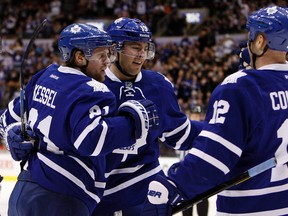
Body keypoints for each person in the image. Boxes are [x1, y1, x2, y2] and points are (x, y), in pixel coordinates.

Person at [0, 23, 158, 216]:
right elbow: (91, 140)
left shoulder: (44, 76)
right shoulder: (93, 90)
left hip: (24, 191)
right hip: (63, 198)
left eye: (108, 55)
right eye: (101, 56)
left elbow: (5, 119)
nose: (107, 62)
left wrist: (11, 134)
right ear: (80, 57)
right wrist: (134, 122)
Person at [143, 5, 288, 215]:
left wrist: (172, 186)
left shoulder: (241, 86)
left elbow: (213, 157)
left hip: (250, 208)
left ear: (260, 41)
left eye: (251, 36)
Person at [92, 17, 204, 215]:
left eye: (145, 48)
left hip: (144, 191)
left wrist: (220, 132)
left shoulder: (158, 85)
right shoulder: (91, 87)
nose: (142, 55)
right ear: (114, 49)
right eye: (135, 47)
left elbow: (180, 135)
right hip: (99, 194)